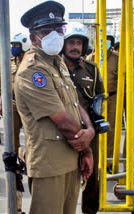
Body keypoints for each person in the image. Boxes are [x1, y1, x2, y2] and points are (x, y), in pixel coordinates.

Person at [15, 2, 94, 213]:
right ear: (33, 38)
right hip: (49, 165)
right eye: (46, 31)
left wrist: (90, 129)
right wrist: (86, 147)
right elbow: (64, 122)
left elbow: (75, 104)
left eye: (58, 29)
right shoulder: (32, 71)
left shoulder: (57, 62)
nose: (55, 35)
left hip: (70, 159)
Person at [61, 22, 104, 214]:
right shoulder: (54, 67)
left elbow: (98, 99)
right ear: (63, 44)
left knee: (91, 176)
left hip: (87, 131)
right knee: (62, 175)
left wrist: (95, 124)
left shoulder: (91, 70)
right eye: (71, 42)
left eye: (79, 42)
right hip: (62, 131)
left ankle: (89, 210)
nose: (75, 46)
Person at [0, 32, 30, 214]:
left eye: (17, 44)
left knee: (31, 140)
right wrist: (1, 102)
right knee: (12, 143)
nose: (14, 47)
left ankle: (26, 160)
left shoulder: (30, 61)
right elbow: (5, 82)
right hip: (11, 104)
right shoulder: (11, 61)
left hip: (27, 105)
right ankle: (15, 165)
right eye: (13, 44)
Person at [87, 30, 119, 173]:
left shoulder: (117, 58)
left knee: (110, 131)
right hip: (93, 100)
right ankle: (95, 160)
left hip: (112, 98)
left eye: (108, 39)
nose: (105, 41)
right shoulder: (90, 58)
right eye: (102, 39)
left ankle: (109, 162)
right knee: (94, 130)